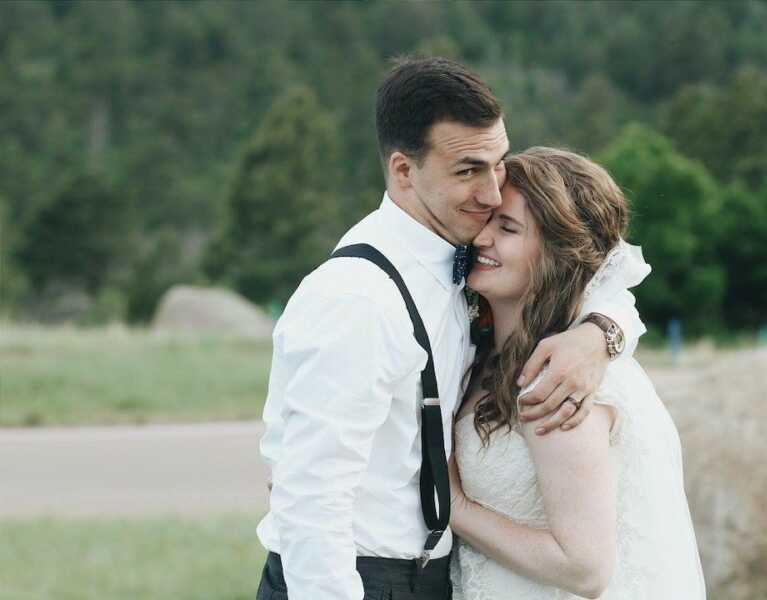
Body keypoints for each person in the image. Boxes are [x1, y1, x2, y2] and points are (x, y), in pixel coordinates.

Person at [254, 58, 645, 600]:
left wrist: (600, 333)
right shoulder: (356, 299)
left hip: (439, 579)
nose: (491, 194)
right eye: (467, 171)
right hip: (358, 580)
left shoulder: (474, 254)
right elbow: (312, 500)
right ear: (403, 172)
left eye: (497, 163)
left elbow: (604, 267)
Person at [448, 147, 706, 599]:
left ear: (555, 256)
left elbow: (585, 567)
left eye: (507, 227)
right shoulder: (487, 347)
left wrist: (454, 507)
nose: (481, 238)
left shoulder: (561, 377)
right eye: (487, 219)